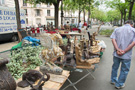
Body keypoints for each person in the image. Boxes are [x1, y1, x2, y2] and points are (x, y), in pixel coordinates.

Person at [110, 20, 135, 89]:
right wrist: (124, 51)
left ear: (125, 23)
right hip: (126, 55)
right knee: (124, 70)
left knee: (115, 67)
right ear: (132, 24)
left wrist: (117, 49)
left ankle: (113, 80)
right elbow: (133, 43)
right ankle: (119, 84)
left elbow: (113, 39)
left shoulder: (117, 29)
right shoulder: (133, 30)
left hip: (116, 53)